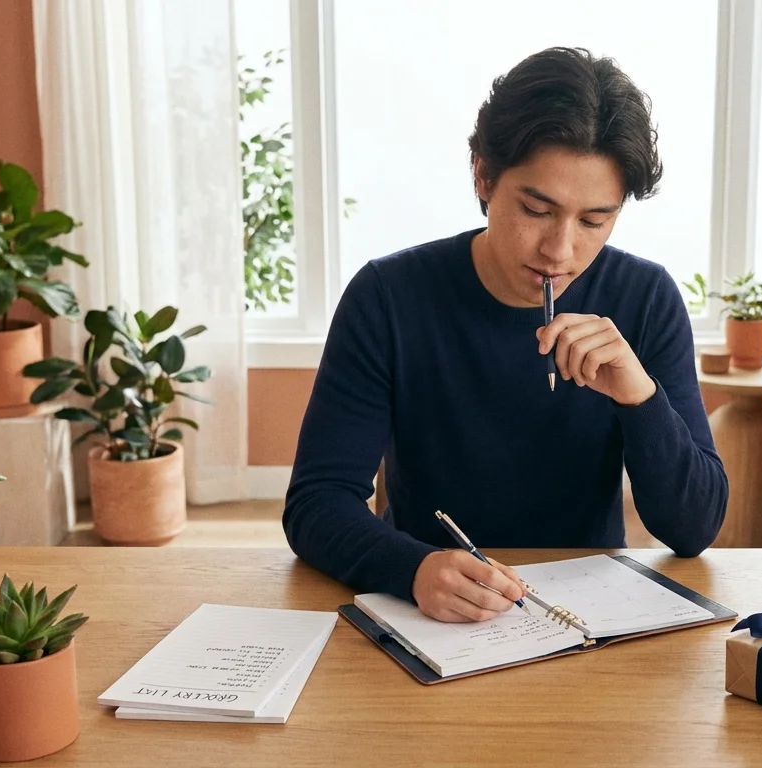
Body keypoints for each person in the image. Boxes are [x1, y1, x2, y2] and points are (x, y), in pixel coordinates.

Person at [283, 46, 728, 623]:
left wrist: (640, 398)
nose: (560, 250)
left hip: (587, 616)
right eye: (537, 209)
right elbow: (316, 503)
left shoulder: (646, 298)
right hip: (431, 616)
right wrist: (411, 568)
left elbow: (693, 530)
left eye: (595, 221)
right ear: (483, 175)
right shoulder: (388, 296)